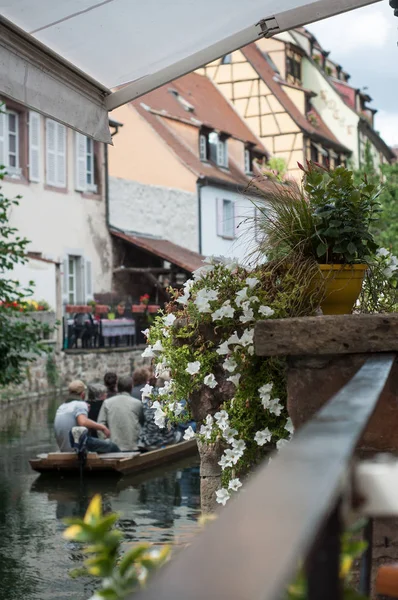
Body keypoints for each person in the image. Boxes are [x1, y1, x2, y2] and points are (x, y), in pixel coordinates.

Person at [54, 380, 120, 453]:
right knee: (112, 446)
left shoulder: (61, 407)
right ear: (83, 394)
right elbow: (83, 422)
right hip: (77, 446)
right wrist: (102, 427)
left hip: (65, 448)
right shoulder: (80, 404)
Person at [97, 375, 144, 451]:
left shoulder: (107, 403)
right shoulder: (137, 403)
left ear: (117, 387)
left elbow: (100, 425)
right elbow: (142, 423)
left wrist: (105, 441)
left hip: (113, 446)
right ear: (131, 387)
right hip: (132, 446)